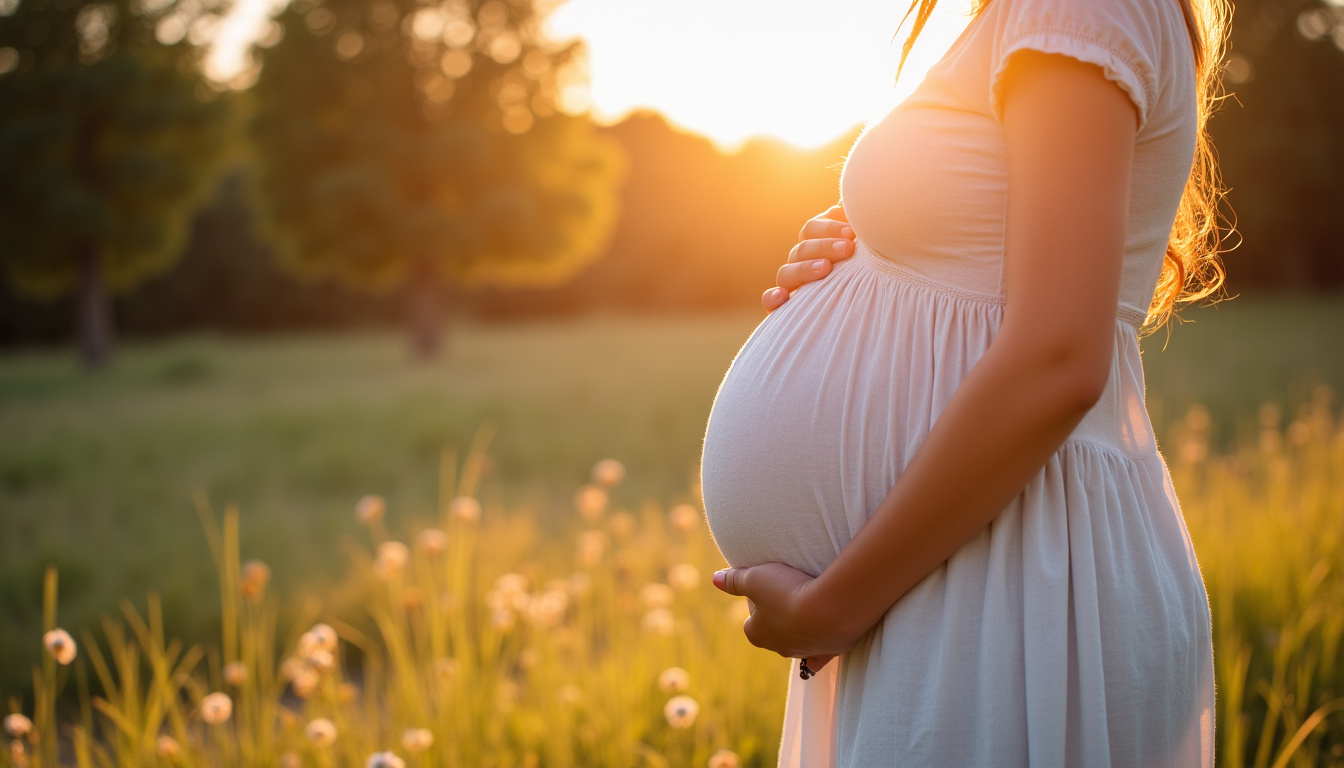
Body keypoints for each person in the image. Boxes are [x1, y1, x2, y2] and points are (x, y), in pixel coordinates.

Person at [699, 0, 1231, 765]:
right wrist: (866, 244)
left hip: (1011, 575)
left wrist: (834, 606)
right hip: (950, 567)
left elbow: (1058, 359)